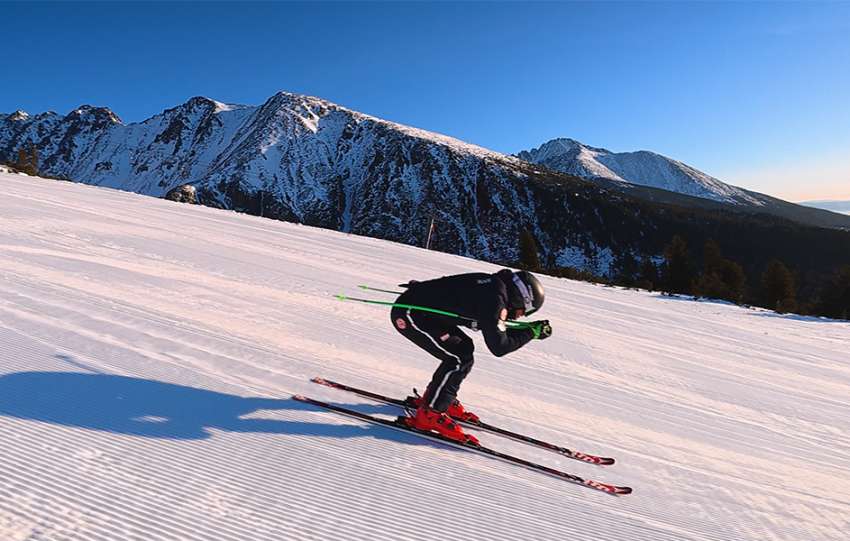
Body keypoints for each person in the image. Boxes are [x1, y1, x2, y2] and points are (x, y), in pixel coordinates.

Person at [390, 269, 551, 445]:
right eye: (524, 310)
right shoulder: (495, 300)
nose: (519, 315)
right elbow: (499, 346)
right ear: (521, 297)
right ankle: (431, 413)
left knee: (463, 350)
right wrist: (530, 333)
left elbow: (495, 328)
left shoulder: (494, 287)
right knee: (458, 358)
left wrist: (528, 331)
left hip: (422, 312)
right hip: (410, 314)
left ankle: (440, 398)